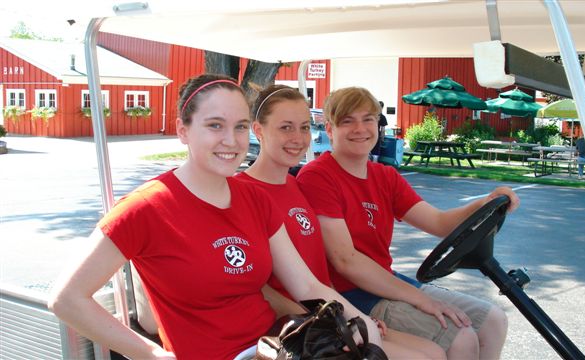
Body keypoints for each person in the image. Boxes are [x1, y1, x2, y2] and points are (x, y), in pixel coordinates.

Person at [47, 75, 383, 360]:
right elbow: (67, 298)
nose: (231, 141)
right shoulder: (146, 206)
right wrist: (153, 356)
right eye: (214, 126)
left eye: (238, 127)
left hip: (277, 347)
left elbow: (307, 285)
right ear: (183, 130)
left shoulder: (255, 199)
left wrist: (360, 324)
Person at [296, 86, 521, 360]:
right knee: (461, 338)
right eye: (347, 121)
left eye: (368, 119)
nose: (360, 128)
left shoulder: (384, 177)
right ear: (329, 129)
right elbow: (346, 261)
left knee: (493, 320)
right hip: (349, 294)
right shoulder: (318, 177)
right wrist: (422, 300)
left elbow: (438, 222)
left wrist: (483, 203)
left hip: (385, 281)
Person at [235, 84, 446, 359]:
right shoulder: (243, 193)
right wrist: (327, 319)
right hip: (295, 328)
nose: (298, 138)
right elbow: (256, 287)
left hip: (327, 312)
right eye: (285, 127)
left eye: (304, 127)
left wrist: (351, 313)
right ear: (258, 130)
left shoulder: (296, 186)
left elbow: (318, 272)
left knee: (435, 352)